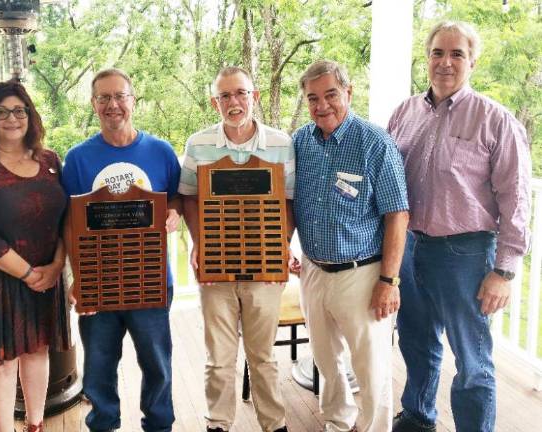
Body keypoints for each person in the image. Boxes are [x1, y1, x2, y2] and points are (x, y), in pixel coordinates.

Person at [387, 21, 531, 432]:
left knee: (471, 359)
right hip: (410, 248)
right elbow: (387, 179)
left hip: (465, 255)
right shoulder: (405, 112)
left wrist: (503, 272)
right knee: (416, 342)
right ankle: (418, 416)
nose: (445, 63)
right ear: (427, 57)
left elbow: (516, 200)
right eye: (437, 53)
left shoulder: (495, 120)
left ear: (473, 62)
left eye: (456, 54)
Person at [292, 60, 410, 432]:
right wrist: (283, 247)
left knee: (370, 366)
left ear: (349, 92)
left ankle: (374, 427)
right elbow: (291, 202)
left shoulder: (375, 143)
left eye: (330, 94)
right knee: (327, 362)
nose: (322, 105)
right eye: (313, 98)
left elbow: (397, 215)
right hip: (313, 271)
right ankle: (337, 423)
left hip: (363, 274)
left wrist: (388, 281)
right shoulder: (300, 142)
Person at [61, 68, 181, 432]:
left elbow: (175, 197)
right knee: (98, 367)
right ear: (94, 104)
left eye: (120, 96)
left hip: (151, 280)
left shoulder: (160, 151)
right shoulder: (78, 158)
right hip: (100, 282)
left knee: (157, 364)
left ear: (133, 100)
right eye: (104, 98)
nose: (113, 105)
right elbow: (69, 222)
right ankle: (103, 425)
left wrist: (174, 211)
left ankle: (159, 426)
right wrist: (78, 278)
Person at [178, 66, 293, 432]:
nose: (234, 102)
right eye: (225, 96)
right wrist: (200, 243)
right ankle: (218, 423)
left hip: (265, 267)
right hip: (216, 267)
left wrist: (281, 247)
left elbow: (289, 203)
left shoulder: (281, 143)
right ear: (215, 102)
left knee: (263, 357)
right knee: (219, 357)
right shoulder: (198, 144)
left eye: (240, 93)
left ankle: (274, 424)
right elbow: (189, 199)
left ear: (254, 96)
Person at [0, 81, 70, 432]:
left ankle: (35, 424)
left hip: (48, 275)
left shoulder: (50, 160)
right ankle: (4, 428)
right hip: (2, 279)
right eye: (1, 111)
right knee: (4, 363)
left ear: (30, 116)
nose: (11, 118)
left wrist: (56, 266)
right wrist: (29, 274)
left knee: (38, 352)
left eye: (19, 110)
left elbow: (67, 219)